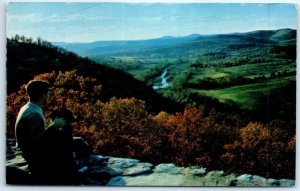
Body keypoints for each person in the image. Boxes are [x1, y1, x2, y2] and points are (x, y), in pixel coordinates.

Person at [14, 80, 67, 184]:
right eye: (48, 93)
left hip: (25, 148)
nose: (49, 95)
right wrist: (54, 126)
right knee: (68, 141)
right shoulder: (35, 114)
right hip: (32, 155)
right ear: (43, 96)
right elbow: (37, 142)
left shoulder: (27, 107)